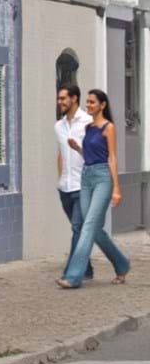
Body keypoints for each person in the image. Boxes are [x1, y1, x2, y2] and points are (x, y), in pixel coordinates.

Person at [58, 88, 130, 288]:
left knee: (88, 225)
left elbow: (111, 158)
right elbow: (91, 155)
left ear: (102, 105)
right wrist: (78, 149)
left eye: (92, 102)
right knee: (94, 229)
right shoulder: (89, 128)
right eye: (87, 102)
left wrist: (116, 188)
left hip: (102, 179)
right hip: (86, 177)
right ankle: (122, 264)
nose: (88, 105)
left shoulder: (109, 127)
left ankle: (73, 276)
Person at [55, 85, 96, 280]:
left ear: (74, 99)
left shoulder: (89, 122)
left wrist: (79, 148)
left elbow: (97, 155)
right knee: (79, 229)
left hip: (83, 185)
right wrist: (60, 179)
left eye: (63, 98)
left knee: (78, 228)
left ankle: (71, 273)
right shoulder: (59, 126)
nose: (60, 102)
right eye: (59, 98)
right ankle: (86, 267)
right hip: (65, 187)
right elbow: (61, 154)